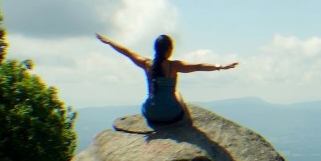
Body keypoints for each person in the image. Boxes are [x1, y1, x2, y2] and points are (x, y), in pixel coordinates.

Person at [96, 33, 238, 125]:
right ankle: (188, 126)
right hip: (171, 115)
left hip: (150, 113)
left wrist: (109, 42)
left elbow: (127, 52)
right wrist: (221, 66)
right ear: (168, 50)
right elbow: (198, 66)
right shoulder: (174, 66)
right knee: (177, 94)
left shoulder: (147, 64)